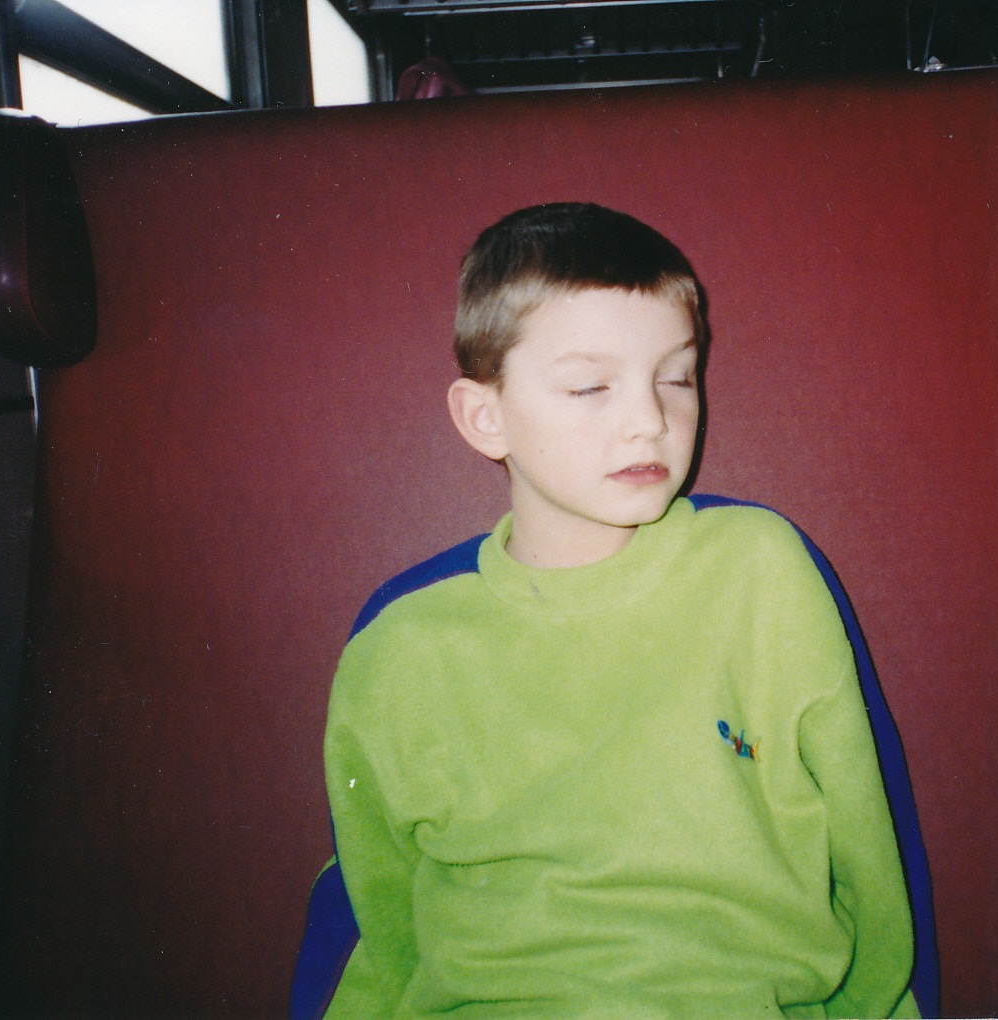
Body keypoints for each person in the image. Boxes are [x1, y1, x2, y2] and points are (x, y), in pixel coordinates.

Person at [322, 202, 921, 1018]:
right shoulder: (400, 648)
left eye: (677, 377)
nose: (650, 420)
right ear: (485, 417)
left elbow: (872, 853)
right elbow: (384, 922)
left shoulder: (761, 572)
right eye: (590, 386)